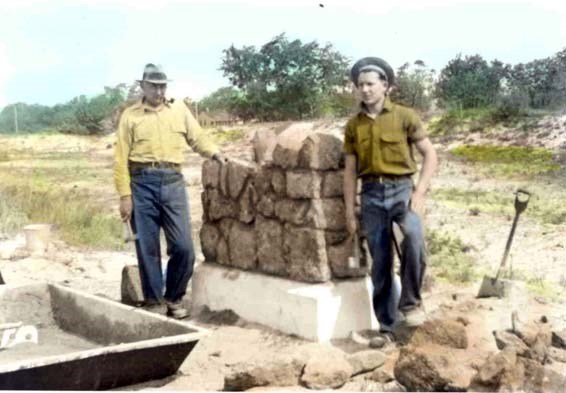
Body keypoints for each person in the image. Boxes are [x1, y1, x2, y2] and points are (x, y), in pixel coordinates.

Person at [114, 63, 225, 319]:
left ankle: (174, 298)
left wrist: (216, 153)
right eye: (153, 85)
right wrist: (124, 195)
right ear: (142, 86)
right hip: (141, 183)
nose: (159, 90)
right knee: (147, 247)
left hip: (173, 181)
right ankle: (154, 302)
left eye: (162, 85)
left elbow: (197, 138)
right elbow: (120, 159)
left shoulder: (179, 109)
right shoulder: (130, 116)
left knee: (184, 246)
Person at [343, 57, 438, 336]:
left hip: (402, 191)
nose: (365, 90)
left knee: (414, 237)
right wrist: (350, 212)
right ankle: (388, 326)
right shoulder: (353, 125)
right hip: (371, 195)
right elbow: (349, 172)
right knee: (380, 262)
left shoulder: (405, 116)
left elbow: (430, 154)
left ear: (385, 86)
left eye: (371, 84)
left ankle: (410, 304)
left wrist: (419, 192)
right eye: (360, 85)